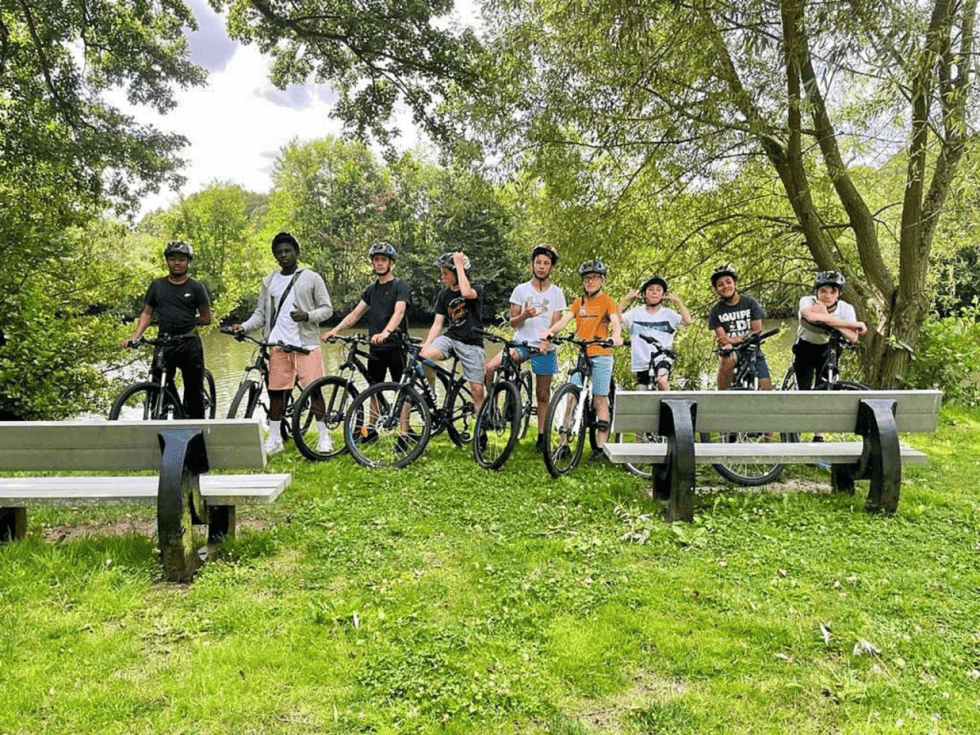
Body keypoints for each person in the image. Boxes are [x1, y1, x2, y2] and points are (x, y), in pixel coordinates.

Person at [232, 231, 333, 456]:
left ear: (296, 252)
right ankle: (274, 438)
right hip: (277, 345)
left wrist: (307, 316)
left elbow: (327, 309)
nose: (284, 255)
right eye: (279, 252)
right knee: (276, 393)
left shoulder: (312, 278)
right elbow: (260, 314)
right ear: (275, 256)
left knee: (314, 391)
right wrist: (244, 327)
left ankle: (324, 436)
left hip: (306, 345)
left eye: (288, 251)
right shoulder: (269, 281)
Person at [483, 243, 566, 453]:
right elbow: (513, 322)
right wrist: (525, 315)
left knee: (542, 393)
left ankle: (541, 436)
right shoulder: (521, 290)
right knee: (490, 368)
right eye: (538, 262)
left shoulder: (557, 293)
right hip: (521, 344)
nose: (541, 266)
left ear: (551, 267)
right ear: (532, 264)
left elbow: (556, 323)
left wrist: (546, 342)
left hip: (544, 348)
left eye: (546, 263)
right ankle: (493, 411)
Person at [541, 259, 623, 458]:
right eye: (587, 278)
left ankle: (602, 448)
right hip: (583, 354)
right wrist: (550, 332)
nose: (590, 281)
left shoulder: (607, 301)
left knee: (600, 399)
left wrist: (615, 336)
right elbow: (565, 320)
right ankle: (563, 444)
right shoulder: (579, 303)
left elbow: (615, 322)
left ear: (602, 280)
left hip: (602, 354)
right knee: (571, 396)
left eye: (594, 278)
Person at [123, 240, 212, 418]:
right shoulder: (157, 286)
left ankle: (195, 431)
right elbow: (147, 313)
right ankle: (165, 421)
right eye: (173, 259)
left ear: (188, 262)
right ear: (167, 261)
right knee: (159, 389)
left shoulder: (196, 287)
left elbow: (206, 318)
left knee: (193, 393)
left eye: (182, 259)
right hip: (164, 343)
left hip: (189, 344)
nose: (177, 263)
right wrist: (135, 336)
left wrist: (187, 322)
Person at [322, 241, 412, 380]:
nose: (379, 263)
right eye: (376, 260)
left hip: (396, 346)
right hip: (375, 347)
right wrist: (335, 330)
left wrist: (385, 333)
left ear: (391, 263)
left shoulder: (400, 285)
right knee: (373, 388)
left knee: (400, 388)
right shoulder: (371, 290)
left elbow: (399, 312)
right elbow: (355, 314)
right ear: (372, 263)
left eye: (383, 259)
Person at [421, 251, 486, 418]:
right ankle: (431, 394)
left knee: (477, 390)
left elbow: (466, 294)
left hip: (472, 342)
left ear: (458, 273)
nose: (442, 277)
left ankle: (482, 427)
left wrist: (459, 265)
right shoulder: (443, 295)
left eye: (446, 273)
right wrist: (427, 343)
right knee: (425, 356)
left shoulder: (476, 287)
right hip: (451, 338)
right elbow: (437, 323)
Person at [794, 270, 867, 389]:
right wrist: (853, 325)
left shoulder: (846, 309)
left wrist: (826, 317)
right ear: (816, 292)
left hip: (829, 348)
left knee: (824, 387)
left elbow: (853, 337)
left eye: (833, 292)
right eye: (823, 291)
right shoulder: (807, 301)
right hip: (805, 347)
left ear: (839, 294)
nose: (828, 296)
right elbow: (811, 317)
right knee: (804, 389)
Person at [619, 274, 691, 390]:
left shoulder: (668, 314)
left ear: (663, 295)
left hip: (662, 357)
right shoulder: (635, 313)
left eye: (658, 290)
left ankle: (668, 401)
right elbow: (615, 319)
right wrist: (625, 300)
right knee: (640, 392)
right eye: (650, 290)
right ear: (643, 294)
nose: (654, 293)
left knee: (662, 381)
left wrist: (678, 302)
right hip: (641, 361)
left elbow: (687, 321)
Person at [707, 263, 771, 390]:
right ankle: (723, 396)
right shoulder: (715, 311)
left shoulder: (750, 303)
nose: (725, 286)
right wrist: (740, 339)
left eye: (728, 282)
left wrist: (733, 339)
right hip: (731, 350)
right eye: (720, 285)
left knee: (766, 388)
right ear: (716, 289)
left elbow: (756, 330)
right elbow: (722, 339)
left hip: (753, 349)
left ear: (735, 284)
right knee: (727, 358)